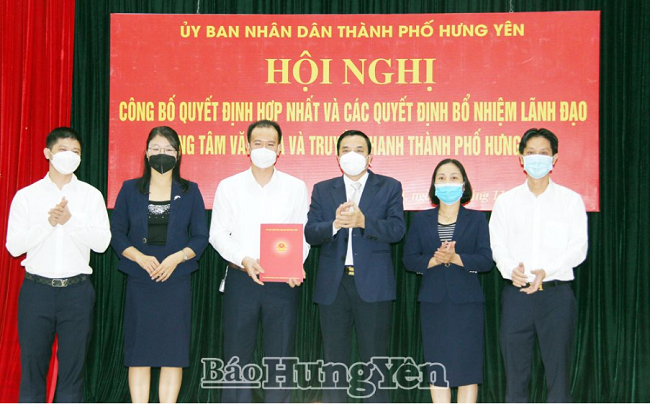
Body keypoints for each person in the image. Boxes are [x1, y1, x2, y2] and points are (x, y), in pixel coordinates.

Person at [5, 127, 111, 402]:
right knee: (33, 368)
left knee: (73, 371)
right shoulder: (27, 196)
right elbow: (13, 246)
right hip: (37, 291)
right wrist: (48, 223)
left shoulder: (91, 195)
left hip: (77, 292)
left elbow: (102, 243)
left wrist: (69, 222)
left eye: (76, 151)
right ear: (48, 153)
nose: (70, 156)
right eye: (63, 150)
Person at [209, 119, 309, 403]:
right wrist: (244, 259)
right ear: (247, 146)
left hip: (282, 281)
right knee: (236, 356)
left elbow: (303, 234)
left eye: (270, 144)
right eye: (258, 143)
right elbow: (217, 234)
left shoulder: (295, 187)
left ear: (280, 148)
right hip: (241, 278)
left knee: (280, 357)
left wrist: (295, 264)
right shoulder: (229, 186)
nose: (263, 149)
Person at [305, 129, 405, 403]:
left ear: (370, 156)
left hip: (373, 285)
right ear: (337, 157)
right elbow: (310, 232)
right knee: (334, 361)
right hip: (334, 286)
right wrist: (334, 224)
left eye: (359, 150)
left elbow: (397, 230)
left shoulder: (389, 186)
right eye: (346, 150)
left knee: (375, 360)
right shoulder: (323, 189)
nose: (352, 155)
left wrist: (364, 222)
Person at [110, 126, 209, 403]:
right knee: (139, 353)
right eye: (156, 148)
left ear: (178, 154)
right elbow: (116, 233)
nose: (161, 153)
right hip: (140, 280)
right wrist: (139, 257)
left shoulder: (190, 191)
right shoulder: (130, 189)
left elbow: (201, 236)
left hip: (175, 281)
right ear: (146, 152)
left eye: (168, 149)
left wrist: (178, 257)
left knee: (172, 354)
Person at [489, 128, 588, 402]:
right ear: (521, 158)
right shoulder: (506, 201)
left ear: (554, 158)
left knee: (558, 373)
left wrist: (547, 271)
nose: (536, 158)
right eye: (530, 153)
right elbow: (498, 246)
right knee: (515, 374)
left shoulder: (570, 201)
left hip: (556, 295)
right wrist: (511, 269)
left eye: (543, 153)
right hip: (517, 295)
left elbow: (578, 248)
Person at [402, 159, 492, 403]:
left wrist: (456, 258)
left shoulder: (477, 219)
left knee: (468, 369)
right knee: (438, 369)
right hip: (434, 304)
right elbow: (409, 260)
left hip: (467, 303)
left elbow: (486, 260)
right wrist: (435, 260)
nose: (447, 182)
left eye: (454, 177)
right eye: (441, 178)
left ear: (464, 185)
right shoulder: (420, 220)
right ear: (434, 184)